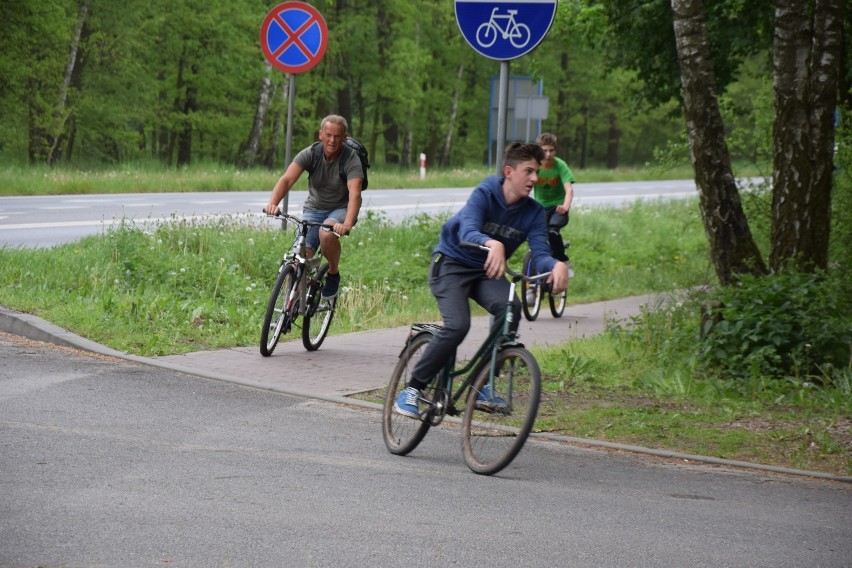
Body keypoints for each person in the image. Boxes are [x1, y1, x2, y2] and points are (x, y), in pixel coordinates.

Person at [394, 142, 570, 418]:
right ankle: (413, 389)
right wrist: (492, 243)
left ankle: (483, 384)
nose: (535, 179)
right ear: (509, 171)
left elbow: (540, 253)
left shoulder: (533, 212)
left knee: (511, 306)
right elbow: (467, 230)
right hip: (451, 264)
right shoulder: (486, 192)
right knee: (458, 325)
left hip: (486, 272)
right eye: (529, 171)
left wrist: (556, 265)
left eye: (537, 172)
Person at [263, 115, 363, 300]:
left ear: (344, 138)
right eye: (328, 135)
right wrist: (273, 204)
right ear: (321, 135)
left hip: (341, 208)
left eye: (337, 136)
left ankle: (333, 273)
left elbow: (355, 193)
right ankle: (288, 308)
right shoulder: (311, 153)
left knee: (326, 234)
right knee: (299, 258)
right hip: (314, 209)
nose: (332, 140)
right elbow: (286, 179)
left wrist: (347, 224)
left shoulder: (351, 160)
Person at [533, 132, 575, 263]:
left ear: (555, 151)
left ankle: (561, 261)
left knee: (552, 231)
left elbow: (569, 190)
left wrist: (565, 206)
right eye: (545, 150)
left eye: (551, 150)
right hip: (541, 207)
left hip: (558, 207)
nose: (548, 154)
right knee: (537, 235)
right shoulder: (534, 165)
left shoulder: (560, 165)